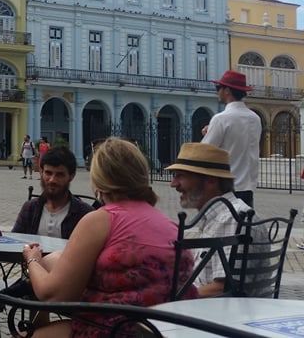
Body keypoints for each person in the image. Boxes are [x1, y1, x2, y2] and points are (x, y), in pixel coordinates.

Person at [21, 138, 196, 337]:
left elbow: (53, 295)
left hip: (114, 330)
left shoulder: (100, 220)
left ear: (98, 179)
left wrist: (32, 258)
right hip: (164, 330)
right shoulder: (169, 224)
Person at [167, 142, 252, 298]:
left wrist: (174, 300)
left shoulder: (229, 218)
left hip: (214, 314)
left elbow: (223, 287)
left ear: (211, 181)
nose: (174, 184)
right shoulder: (222, 214)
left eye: (181, 176)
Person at [201, 70, 261, 208]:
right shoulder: (255, 118)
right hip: (247, 188)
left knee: (223, 228)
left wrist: (207, 134)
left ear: (227, 91)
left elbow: (205, 151)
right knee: (243, 226)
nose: (217, 92)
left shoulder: (221, 118)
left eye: (218, 88)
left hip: (225, 187)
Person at [12, 145, 95, 239]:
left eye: (59, 175)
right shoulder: (30, 208)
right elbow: (15, 242)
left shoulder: (84, 214)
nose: (52, 180)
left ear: (71, 176)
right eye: (48, 173)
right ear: (41, 172)